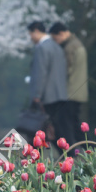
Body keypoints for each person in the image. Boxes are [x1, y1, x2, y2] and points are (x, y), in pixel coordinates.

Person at [28, 21, 74, 149]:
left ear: (36, 31)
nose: (30, 37)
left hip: (47, 95)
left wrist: (37, 95)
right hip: (60, 93)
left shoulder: (41, 48)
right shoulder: (56, 46)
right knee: (60, 127)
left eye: (31, 33)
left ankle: (35, 156)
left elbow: (40, 73)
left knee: (45, 128)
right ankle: (70, 153)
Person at [49, 22, 88, 143]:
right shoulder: (78, 44)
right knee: (74, 122)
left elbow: (65, 71)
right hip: (79, 92)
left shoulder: (69, 48)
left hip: (70, 92)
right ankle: (90, 148)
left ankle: (74, 150)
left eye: (56, 38)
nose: (57, 42)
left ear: (61, 34)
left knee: (68, 124)